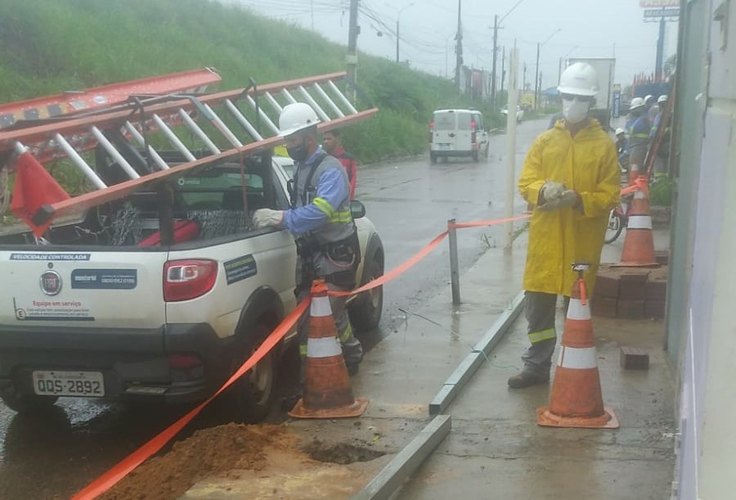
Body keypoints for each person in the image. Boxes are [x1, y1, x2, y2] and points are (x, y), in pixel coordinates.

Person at [509, 62, 620, 389]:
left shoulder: (604, 146)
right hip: (546, 243)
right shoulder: (545, 142)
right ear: (561, 97)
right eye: (568, 96)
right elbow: (526, 181)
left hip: (582, 245)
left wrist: (579, 200)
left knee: (578, 312)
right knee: (538, 311)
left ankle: (577, 371)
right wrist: (542, 190)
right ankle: (537, 368)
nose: (573, 103)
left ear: (591, 101)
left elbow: (611, 193)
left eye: (579, 97)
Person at [252, 102, 363, 375]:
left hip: (337, 257)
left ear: (309, 138)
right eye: (286, 140)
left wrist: (280, 218)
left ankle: (342, 360)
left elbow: (319, 213)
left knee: (326, 317)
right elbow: (301, 209)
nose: (288, 146)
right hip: (311, 255)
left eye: (292, 140)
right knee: (309, 320)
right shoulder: (300, 167)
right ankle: (310, 376)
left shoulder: (331, 170)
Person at [322, 129, 357, 200]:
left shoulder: (348, 159)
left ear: (337, 139)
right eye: (324, 139)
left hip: (344, 201)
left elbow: (352, 181)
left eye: (329, 139)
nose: (325, 142)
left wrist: (349, 198)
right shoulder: (322, 159)